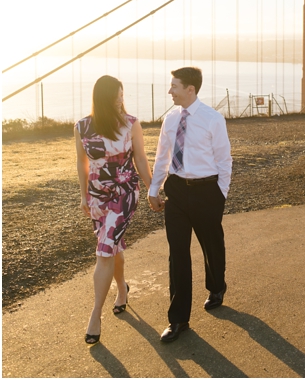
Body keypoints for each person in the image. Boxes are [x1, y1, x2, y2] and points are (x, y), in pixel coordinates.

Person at [149, 67, 232, 343]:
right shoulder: (171, 119)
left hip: (207, 191)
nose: (169, 90)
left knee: (211, 244)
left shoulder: (213, 119)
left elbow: (224, 160)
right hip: (175, 192)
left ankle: (216, 287)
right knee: (178, 254)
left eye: (174, 86)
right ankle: (178, 319)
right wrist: (153, 189)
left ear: (190, 90)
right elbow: (162, 157)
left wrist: (219, 195)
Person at [75, 75, 153, 345]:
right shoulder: (82, 127)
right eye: (116, 95)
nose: (121, 99)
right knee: (114, 246)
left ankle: (95, 316)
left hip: (124, 192)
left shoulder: (131, 124)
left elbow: (141, 158)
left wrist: (152, 189)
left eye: (123, 94)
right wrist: (84, 195)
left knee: (104, 249)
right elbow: (82, 163)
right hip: (97, 196)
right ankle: (122, 288)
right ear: (103, 98)